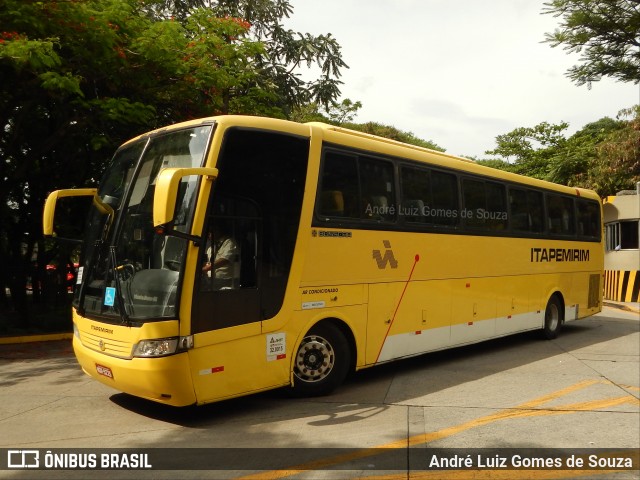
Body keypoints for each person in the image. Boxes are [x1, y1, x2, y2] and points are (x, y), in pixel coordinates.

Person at [202, 221, 239, 290]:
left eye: (211, 232)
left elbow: (225, 260)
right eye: (208, 232)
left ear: (218, 231)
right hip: (210, 280)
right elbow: (208, 263)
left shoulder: (229, 242)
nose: (209, 235)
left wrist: (205, 269)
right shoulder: (211, 248)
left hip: (225, 281)